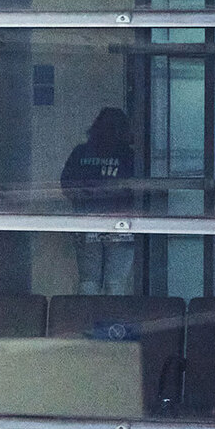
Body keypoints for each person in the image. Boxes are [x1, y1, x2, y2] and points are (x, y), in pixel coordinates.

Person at [62, 106, 139, 294]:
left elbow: (66, 185)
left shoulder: (81, 152)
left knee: (89, 281)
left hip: (88, 221)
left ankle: (86, 320)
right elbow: (138, 189)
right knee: (116, 284)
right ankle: (112, 321)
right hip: (121, 224)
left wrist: (87, 195)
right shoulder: (129, 156)